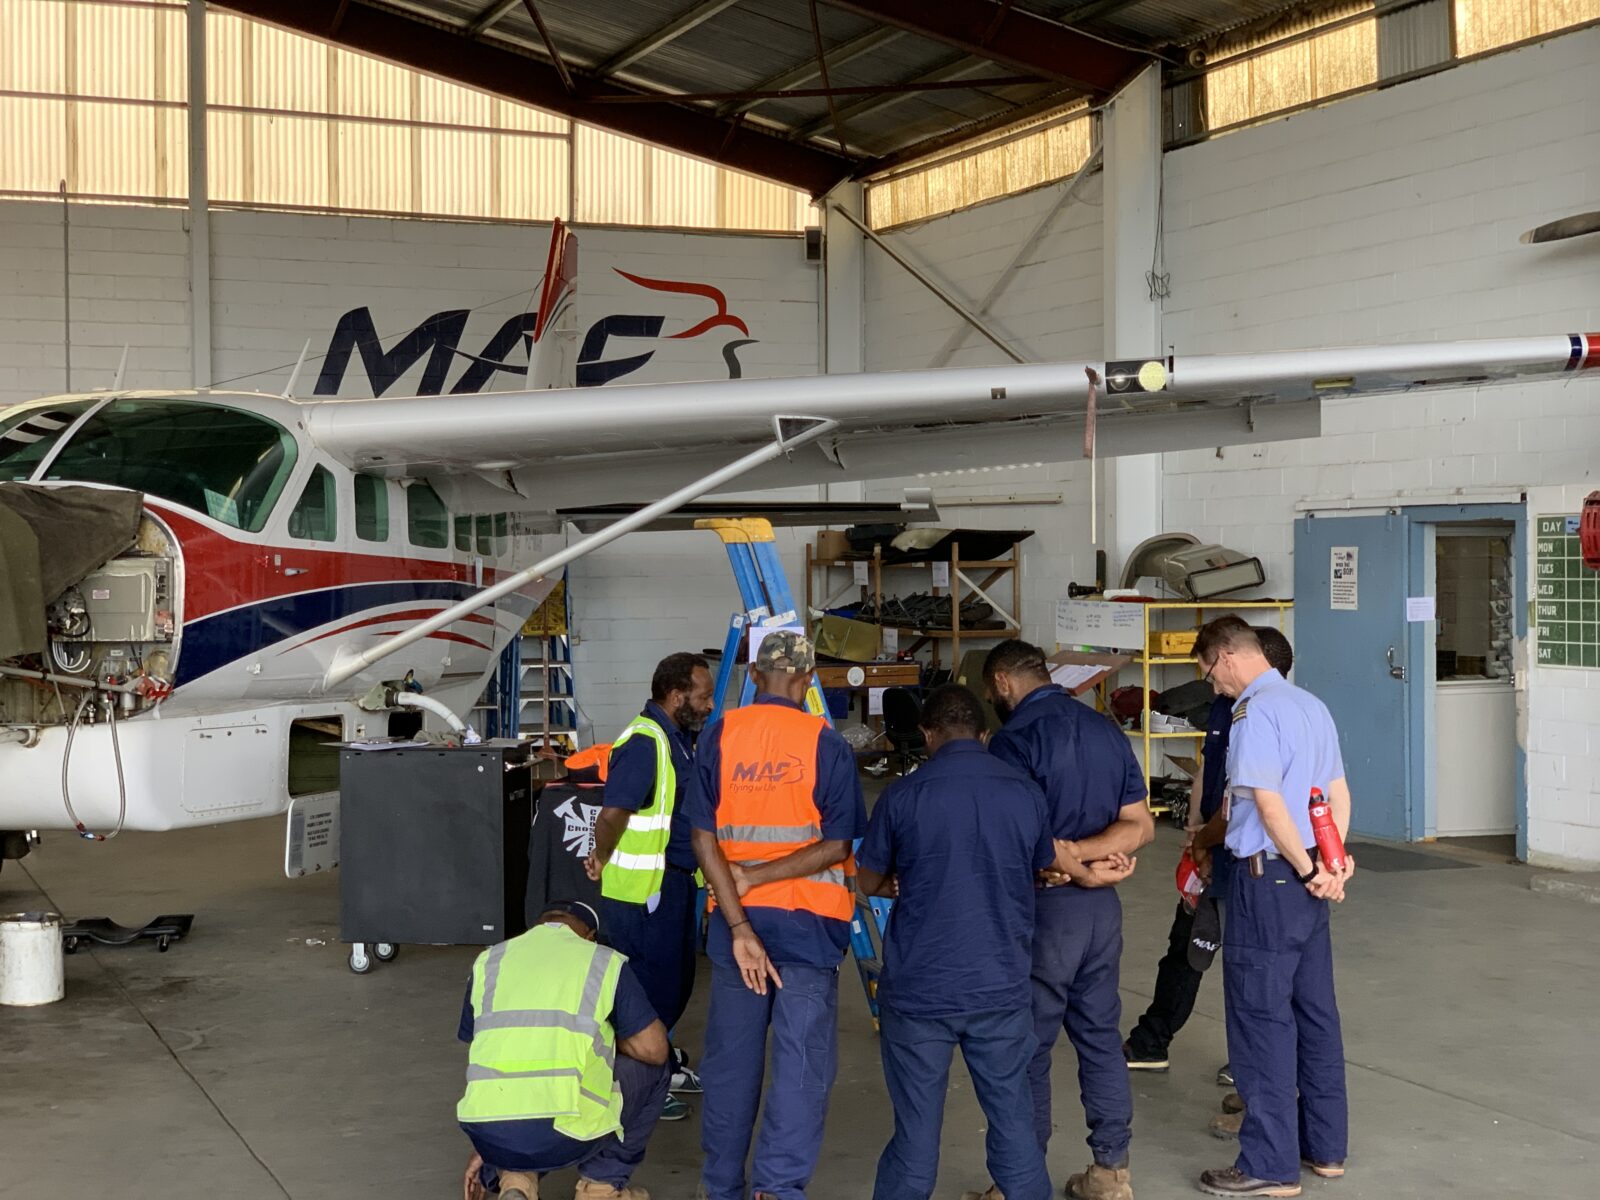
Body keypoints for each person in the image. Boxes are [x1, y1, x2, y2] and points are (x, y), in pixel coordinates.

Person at [855, 684, 1057, 1200]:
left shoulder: (902, 796)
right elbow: (1041, 866)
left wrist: (895, 881)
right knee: (1013, 1126)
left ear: (927, 734)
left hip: (920, 991)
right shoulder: (1025, 793)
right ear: (984, 735)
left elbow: (867, 879)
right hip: (1000, 986)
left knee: (915, 1137)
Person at [685, 629, 867, 1200]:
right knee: (800, 1065)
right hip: (807, 926)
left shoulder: (720, 736)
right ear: (809, 680)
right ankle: (778, 1189)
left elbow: (701, 837)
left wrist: (740, 918)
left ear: (755, 676)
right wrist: (763, 877)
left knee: (732, 1063)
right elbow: (838, 845)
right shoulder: (826, 744)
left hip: (738, 925)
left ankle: (721, 1187)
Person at [980, 639, 1152, 1200]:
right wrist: (1093, 865)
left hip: (1043, 910)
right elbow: (1140, 825)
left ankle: (1020, 1183)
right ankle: (1111, 1173)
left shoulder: (1015, 740)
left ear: (1003, 682)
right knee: (1100, 1038)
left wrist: (1071, 863)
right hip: (1100, 914)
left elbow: (1023, 838)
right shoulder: (1105, 730)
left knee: (1027, 1046)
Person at [1191, 619, 1355, 1199]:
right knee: (1316, 1012)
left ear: (1226, 657)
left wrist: (1307, 869)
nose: (1213, 686)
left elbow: (1266, 803)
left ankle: (1269, 1164)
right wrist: (1331, 863)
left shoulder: (1254, 713)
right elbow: (1337, 793)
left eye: (1209, 673)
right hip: (1310, 881)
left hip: (1271, 881)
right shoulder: (1311, 705)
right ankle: (1325, 1147)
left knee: (1261, 1019)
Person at [1124, 625, 1296, 1076]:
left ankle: (1251, 1062)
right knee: (1187, 947)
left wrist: (1206, 839)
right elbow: (1210, 767)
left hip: (1253, 858)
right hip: (1212, 846)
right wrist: (1195, 830)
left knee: (1253, 964)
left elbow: (1255, 802)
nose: (1213, 684)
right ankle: (1151, 1042)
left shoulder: (1274, 716)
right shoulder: (1225, 706)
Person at [457, 900, 671, 1200]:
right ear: (590, 936)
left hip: (490, 1132)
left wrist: (486, 1147)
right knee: (655, 1068)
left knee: (513, 1081)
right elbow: (654, 1049)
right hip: (564, 1133)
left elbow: (489, 1053)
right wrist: (605, 1032)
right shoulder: (601, 961)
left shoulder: (490, 960)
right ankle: (600, 1189)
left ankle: (516, 1182)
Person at [585, 651, 715, 1121]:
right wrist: (601, 855)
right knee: (646, 994)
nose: (710, 705)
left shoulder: (678, 739)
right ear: (677, 695)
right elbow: (613, 813)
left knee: (675, 985)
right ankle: (638, 1086)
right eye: (703, 696)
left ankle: (661, 1066)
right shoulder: (644, 743)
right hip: (642, 897)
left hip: (673, 887)